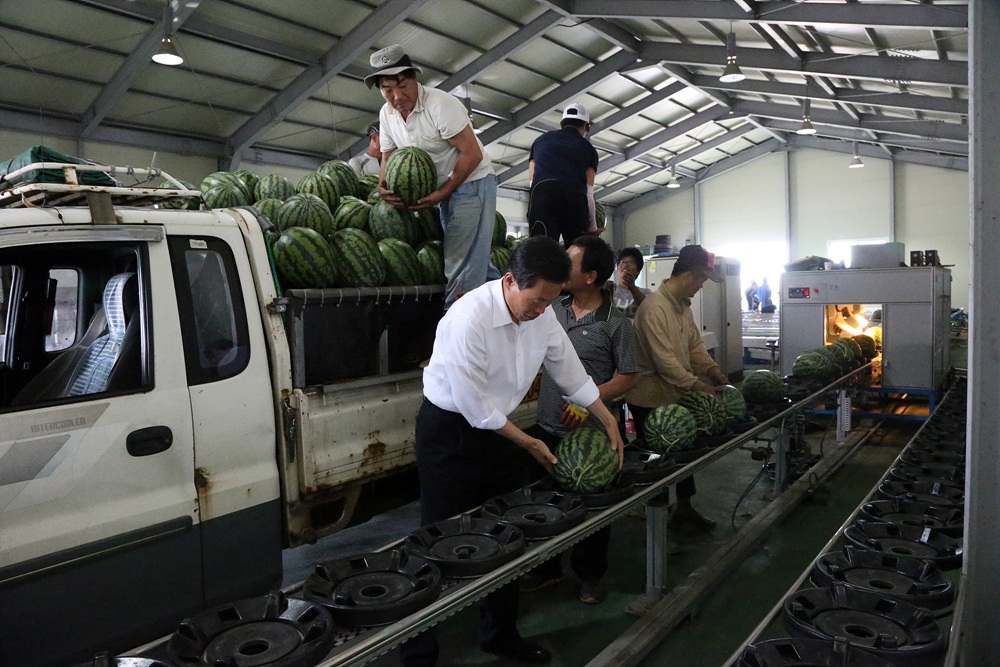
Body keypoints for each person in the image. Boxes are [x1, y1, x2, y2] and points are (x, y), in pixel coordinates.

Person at [403, 235, 625, 667]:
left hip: (498, 431)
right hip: (451, 433)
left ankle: (499, 635)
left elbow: (567, 367)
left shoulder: (541, 313)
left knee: (505, 535)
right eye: (537, 300)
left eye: (551, 302)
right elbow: (473, 405)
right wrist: (529, 442)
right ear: (510, 281)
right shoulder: (467, 318)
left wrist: (604, 414)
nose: (542, 310)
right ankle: (419, 653)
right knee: (438, 540)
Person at [522, 236, 639, 605]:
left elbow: (629, 376)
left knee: (592, 507)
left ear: (589, 276)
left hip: (593, 432)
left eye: (569, 263)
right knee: (548, 504)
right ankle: (548, 569)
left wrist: (589, 400)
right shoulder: (551, 308)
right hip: (548, 427)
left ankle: (590, 576)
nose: (561, 265)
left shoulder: (616, 324)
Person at [365, 44, 498, 308]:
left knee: (460, 263)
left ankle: (457, 327)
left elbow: (472, 154)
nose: (396, 95)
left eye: (401, 85)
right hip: (446, 188)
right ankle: (515, 312)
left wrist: (442, 192)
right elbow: (388, 155)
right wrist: (383, 185)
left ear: (414, 79)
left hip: (472, 183)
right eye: (386, 89)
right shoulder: (386, 114)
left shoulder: (440, 104)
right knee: (476, 262)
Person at [625, 245, 729, 548]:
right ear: (688, 275)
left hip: (675, 392)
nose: (701, 287)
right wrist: (700, 387)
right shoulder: (654, 309)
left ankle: (684, 508)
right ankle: (656, 521)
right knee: (659, 461)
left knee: (684, 454)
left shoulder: (682, 306)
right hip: (650, 398)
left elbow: (694, 347)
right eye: (701, 281)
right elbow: (664, 362)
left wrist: (712, 370)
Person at [526, 103, 600, 247]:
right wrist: (593, 228)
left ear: (563, 123)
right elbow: (589, 194)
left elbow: (532, 182)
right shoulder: (588, 148)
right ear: (584, 126)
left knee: (542, 250)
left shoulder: (541, 141)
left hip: (542, 195)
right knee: (576, 250)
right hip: (574, 198)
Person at [613, 247, 651, 319]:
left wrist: (632, 287)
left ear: (638, 271)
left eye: (631, 262)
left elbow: (648, 309)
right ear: (617, 267)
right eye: (622, 262)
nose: (626, 265)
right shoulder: (610, 290)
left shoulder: (646, 292)